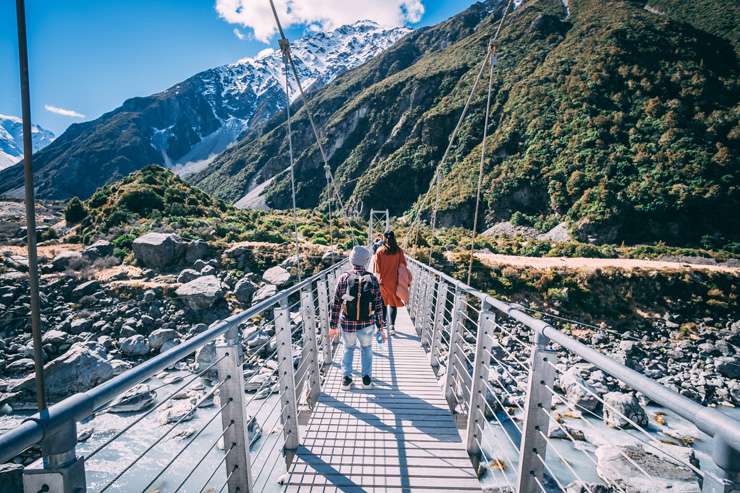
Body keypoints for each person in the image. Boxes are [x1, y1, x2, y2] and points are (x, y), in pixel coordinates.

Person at [329, 245, 386, 390]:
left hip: (347, 322)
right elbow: (379, 304)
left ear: (351, 260)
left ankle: (346, 380)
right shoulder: (372, 279)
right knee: (366, 349)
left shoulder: (344, 278)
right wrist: (381, 327)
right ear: (366, 261)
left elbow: (336, 303)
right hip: (367, 323)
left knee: (348, 348)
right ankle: (366, 380)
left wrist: (333, 326)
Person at [372, 230, 409, 336]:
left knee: (383, 304)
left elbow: (376, 269)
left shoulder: (379, 251)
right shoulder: (399, 251)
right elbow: (403, 266)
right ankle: (392, 326)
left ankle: (382, 324)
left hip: (382, 282)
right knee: (393, 304)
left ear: (384, 238)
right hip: (395, 282)